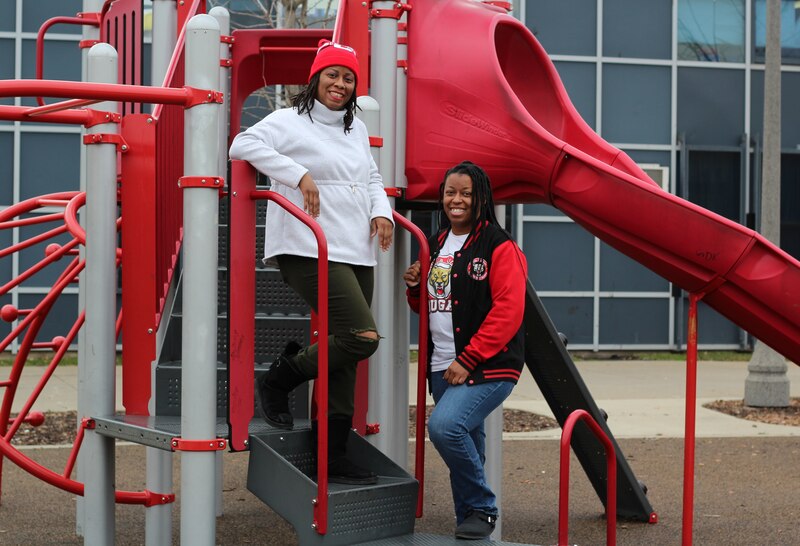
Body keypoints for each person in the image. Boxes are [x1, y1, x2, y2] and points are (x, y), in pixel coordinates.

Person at [229, 40, 394, 486]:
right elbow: (241, 145)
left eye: (348, 77)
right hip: (307, 244)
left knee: (347, 355)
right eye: (332, 74)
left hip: (356, 247)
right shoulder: (288, 121)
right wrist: (297, 174)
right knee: (362, 338)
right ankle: (283, 377)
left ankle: (332, 454)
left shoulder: (354, 127)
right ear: (316, 78)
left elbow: (372, 176)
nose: (340, 84)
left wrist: (380, 210)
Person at [403, 161, 527, 539]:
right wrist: (414, 287)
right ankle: (472, 528)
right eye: (450, 192)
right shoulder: (437, 242)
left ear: (480, 198)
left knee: (444, 428)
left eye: (466, 193)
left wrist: (468, 359)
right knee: (467, 449)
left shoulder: (499, 245)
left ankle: (484, 509)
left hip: (486, 366)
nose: (456, 200)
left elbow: (509, 311)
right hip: (442, 365)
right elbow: (433, 305)